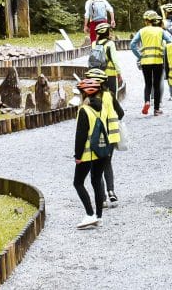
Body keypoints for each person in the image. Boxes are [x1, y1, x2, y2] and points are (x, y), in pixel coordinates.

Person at [73, 78, 110, 229]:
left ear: (84, 94)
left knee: (78, 182)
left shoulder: (84, 110)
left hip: (88, 153)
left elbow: (80, 136)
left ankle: (89, 214)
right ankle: (99, 216)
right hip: (102, 151)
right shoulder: (103, 108)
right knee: (97, 181)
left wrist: (78, 156)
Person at [85, 67, 124, 208]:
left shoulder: (87, 99)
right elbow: (121, 113)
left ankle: (101, 197)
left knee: (96, 167)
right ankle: (111, 191)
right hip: (111, 137)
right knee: (107, 163)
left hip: (94, 138)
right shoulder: (110, 96)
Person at [130, 10, 172, 116]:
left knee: (148, 84)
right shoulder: (160, 31)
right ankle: (157, 109)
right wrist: (163, 51)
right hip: (158, 60)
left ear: (146, 21)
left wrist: (139, 55)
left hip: (145, 61)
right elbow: (170, 42)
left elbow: (132, 44)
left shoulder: (142, 31)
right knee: (157, 85)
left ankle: (147, 102)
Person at [93, 23, 121, 96]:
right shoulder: (110, 43)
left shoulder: (94, 43)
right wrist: (119, 73)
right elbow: (115, 60)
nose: (110, 32)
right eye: (109, 30)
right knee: (112, 97)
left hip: (97, 74)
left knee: (100, 96)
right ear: (106, 32)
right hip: (110, 74)